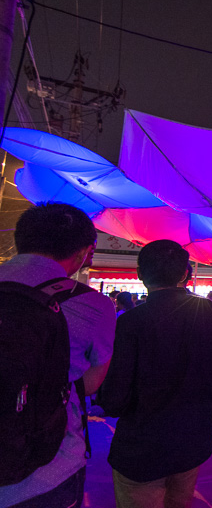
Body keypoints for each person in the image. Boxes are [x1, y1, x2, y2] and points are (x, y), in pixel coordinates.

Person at [96, 239, 212, 507]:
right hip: (192, 439)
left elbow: (115, 395)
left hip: (143, 444)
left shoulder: (131, 321)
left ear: (140, 274)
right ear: (184, 274)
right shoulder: (206, 311)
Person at [0, 203, 115, 508]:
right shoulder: (93, 304)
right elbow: (90, 383)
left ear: (19, 240)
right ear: (84, 253)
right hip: (49, 468)